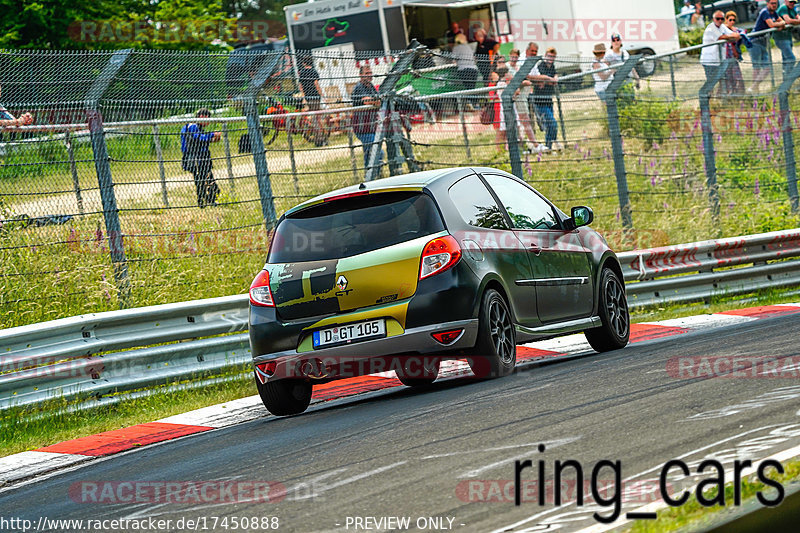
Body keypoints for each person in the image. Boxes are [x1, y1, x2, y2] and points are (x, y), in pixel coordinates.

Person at [181, 109, 221, 208]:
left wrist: (212, 139)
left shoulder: (196, 127)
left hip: (201, 156)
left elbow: (199, 141)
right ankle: (204, 201)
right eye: (208, 119)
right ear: (202, 116)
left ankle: (206, 200)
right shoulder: (192, 126)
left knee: (203, 180)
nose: (209, 122)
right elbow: (198, 138)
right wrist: (212, 134)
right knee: (202, 181)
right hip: (196, 158)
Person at [350, 65, 384, 174]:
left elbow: (378, 101)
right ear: (361, 75)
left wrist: (375, 100)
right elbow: (366, 100)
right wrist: (374, 100)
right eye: (367, 73)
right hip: (362, 127)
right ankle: (374, 174)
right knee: (377, 151)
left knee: (369, 152)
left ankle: (369, 174)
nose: (369, 75)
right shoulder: (359, 87)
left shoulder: (371, 86)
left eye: (370, 73)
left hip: (371, 125)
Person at [751, 0, 787, 92]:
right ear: (768, 4)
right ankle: (755, 89)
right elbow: (772, 25)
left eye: (775, 3)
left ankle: (754, 86)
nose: (774, 5)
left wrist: (780, 24)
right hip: (755, 41)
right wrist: (781, 24)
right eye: (772, 3)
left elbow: (781, 23)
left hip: (763, 42)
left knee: (767, 68)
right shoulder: (765, 12)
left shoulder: (774, 13)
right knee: (757, 67)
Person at [528, 47, 559, 150]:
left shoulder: (552, 66)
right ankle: (549, 143)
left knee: (551, 126)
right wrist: (548, 80)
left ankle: (548, 145)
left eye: (553, 57)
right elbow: (541, 79)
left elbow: (553, 76)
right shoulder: (541, 66)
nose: (551, 58)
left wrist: (553, 78)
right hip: (540, 100)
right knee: (552, 123)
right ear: (545, 56)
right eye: (549, 56)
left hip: (548, 99)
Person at [700, 11, 739, 83]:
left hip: (719, 59)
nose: (720, 21)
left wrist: (730, 36)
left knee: (722, 80)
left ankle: (720, 94)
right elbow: (720, 37)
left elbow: (735, 34)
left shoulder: (722, 27)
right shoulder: (711, 28)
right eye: (718, 19)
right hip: (709, 61)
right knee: (711, 82)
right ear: (713, 19)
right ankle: (704, 94)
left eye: (722, 19)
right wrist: (729, 37)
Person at [298, 53, 325, 139]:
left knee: (314, 116)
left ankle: (321, 133)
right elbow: (316, 83)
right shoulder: (313, 71)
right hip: (315, 96)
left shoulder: (302, 72)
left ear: (304, 63)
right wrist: (321, 94)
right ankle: (320, 135)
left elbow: (300, 86)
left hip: (308, 96)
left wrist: (304, 96)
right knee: (316, 116)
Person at [724, 11, 748, 95]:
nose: (732, 22)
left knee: (737, 77)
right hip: (725, 58)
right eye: (730, 20)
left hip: (733, 57)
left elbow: (743, 32)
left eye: (733, 20)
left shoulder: (735, 30)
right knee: (728, 78)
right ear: (726, 20)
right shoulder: (723, 29)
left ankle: (740, 94)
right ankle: (730, 95)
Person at [776, 0, 800, 78]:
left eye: (794, 2)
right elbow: (788, 20)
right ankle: (788, 79)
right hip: (781, 37)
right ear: (785, 1)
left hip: (788, 36)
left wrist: (795, 21)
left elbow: (797, 17)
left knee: (786, 60)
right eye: (790, 2)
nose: (792, 3)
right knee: (791, 59)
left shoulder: (792, 8)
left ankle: (786, 81)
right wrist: (796, 21)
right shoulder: (783, 8)